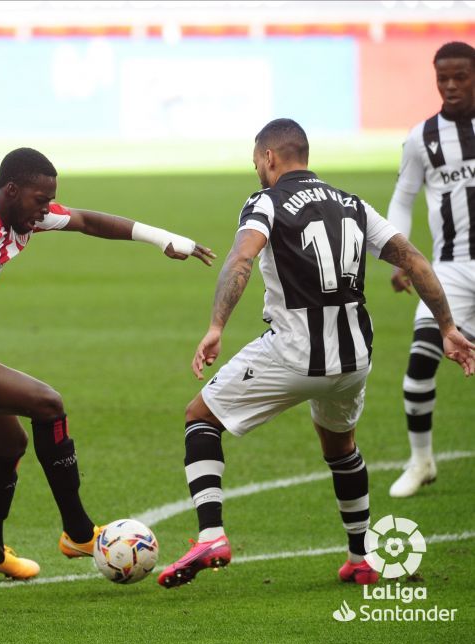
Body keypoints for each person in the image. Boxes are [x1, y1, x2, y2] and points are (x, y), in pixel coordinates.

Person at [156, 119, 475, 590]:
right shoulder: (353, 204)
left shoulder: (265, 201)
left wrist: (216, 325)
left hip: (293, 354)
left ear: (268, 158)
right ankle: (361, 557)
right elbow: (415, 261)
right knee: (341, 448)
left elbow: (242, 258)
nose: (256, 171)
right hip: (353, 362)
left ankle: (211, 536)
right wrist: (447, 327)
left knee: (200, 417)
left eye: (255, 162)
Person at [0, 147, 216, 579]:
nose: (45, 210)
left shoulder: (21, 215)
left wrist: (163, 238)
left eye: (48, 201)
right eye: (39, 200)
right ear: (11, 190)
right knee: (47, 403)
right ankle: (78, 531)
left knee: (10, 444)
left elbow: (87, 221)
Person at [386, 41, 475, 498]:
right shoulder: (423, 138)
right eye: (444, 78)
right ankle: (421, 461)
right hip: (450, 270)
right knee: (421, 363)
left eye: (461, 76)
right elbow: (402, 199)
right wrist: (401, 254)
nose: (452, 85)